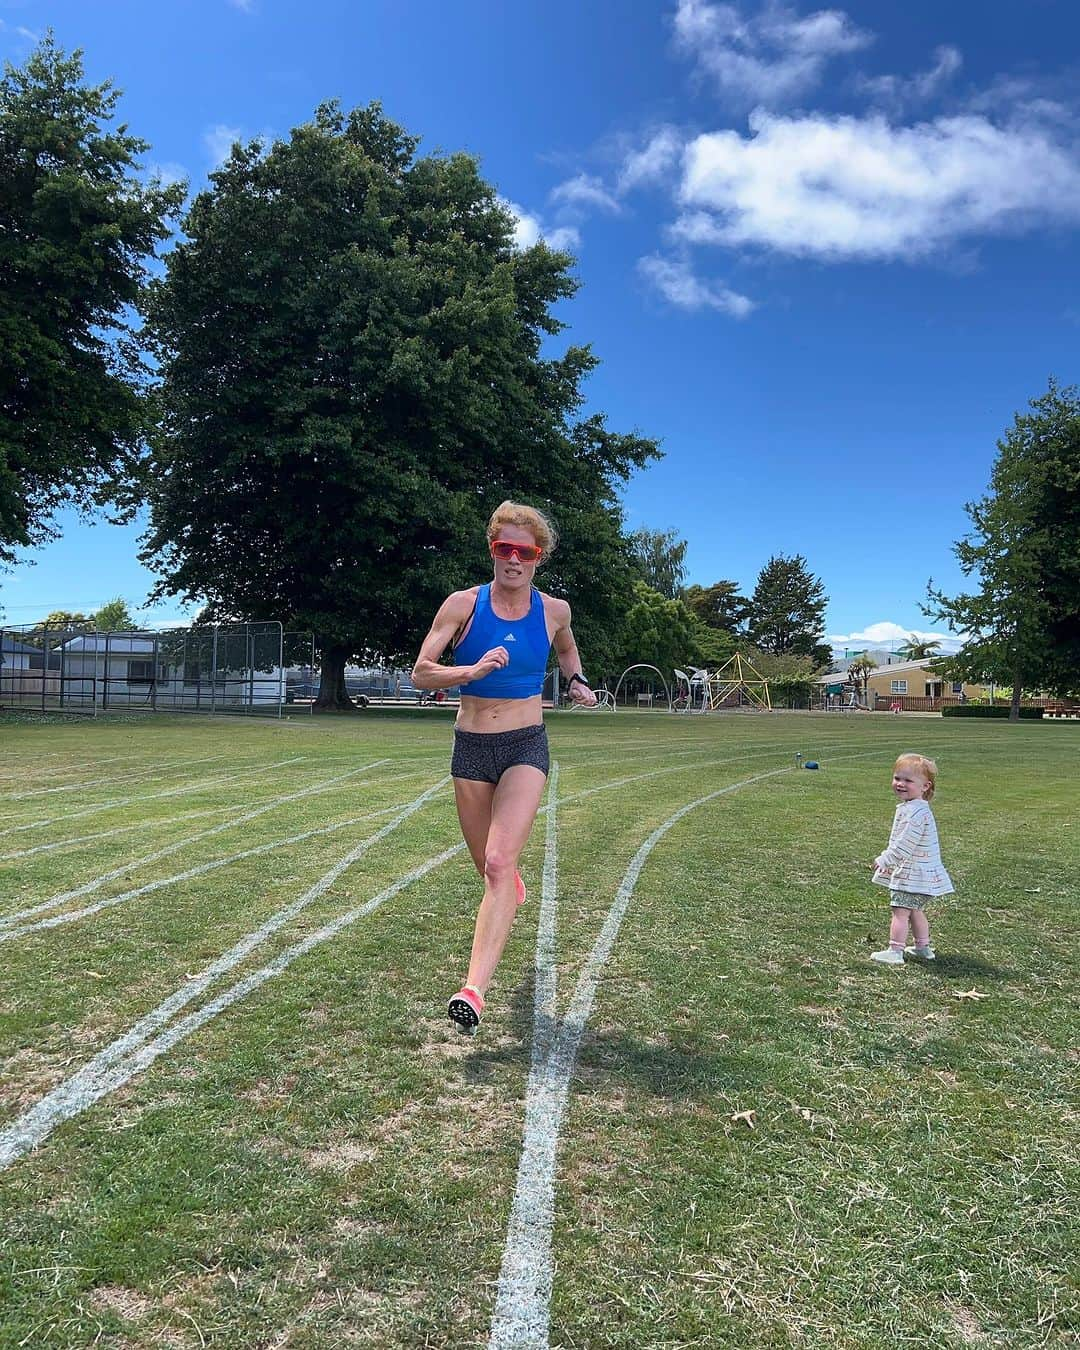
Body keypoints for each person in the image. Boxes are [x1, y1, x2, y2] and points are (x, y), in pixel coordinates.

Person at [411, 501, 597, 1033]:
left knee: (497, 862)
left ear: (538, 558)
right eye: (504, 550)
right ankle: (508, 890)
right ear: (493, 551)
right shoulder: (463, 605)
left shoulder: (554, 610)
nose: (514, 560)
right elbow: (422, 673)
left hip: (525, 744)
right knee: (491, 872)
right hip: (470, 748)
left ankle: (473, 991)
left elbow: (566, 651)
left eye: (525, 552)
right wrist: (470, 669)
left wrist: (577, 681)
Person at [869, 753, 954, 965]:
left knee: (900, 911)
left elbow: (904, 845)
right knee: (915, 909)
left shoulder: (915, 813)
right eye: (897, 778)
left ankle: (895, 951)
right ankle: (922, 948)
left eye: (908, 780)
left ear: (925, 786)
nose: (900, 784)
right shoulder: (914, 808)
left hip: (913, 874)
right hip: (920, 874)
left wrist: (885, 859)